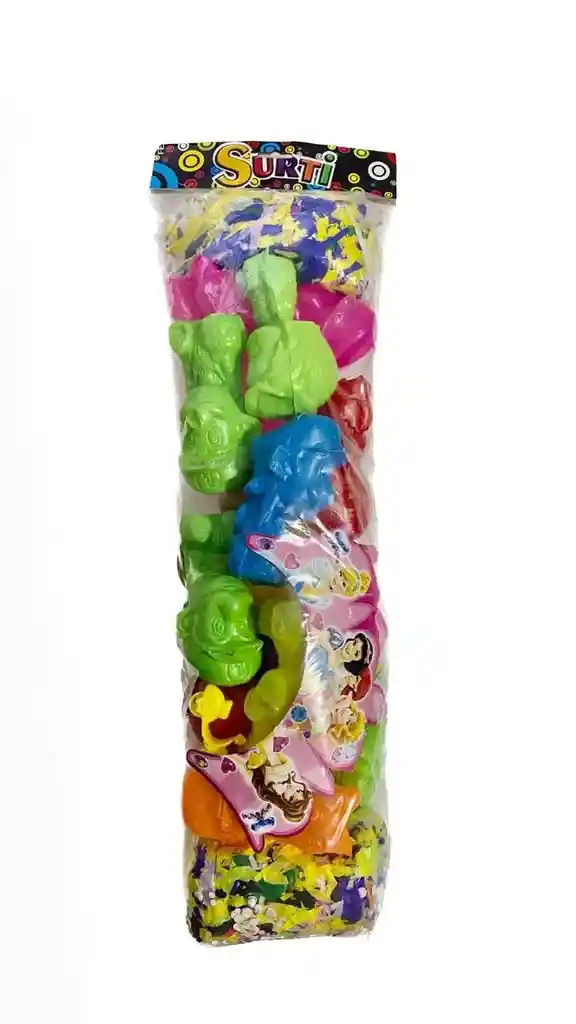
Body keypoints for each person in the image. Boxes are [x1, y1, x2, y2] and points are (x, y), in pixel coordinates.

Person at [246, 745, 312, 824]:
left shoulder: (277, 781)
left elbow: (269, 752)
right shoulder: (286, 779)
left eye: (291, 797)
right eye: (298, 791)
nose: (293, 789)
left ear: (284, 801)